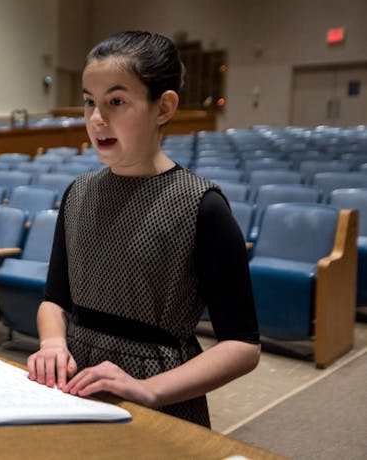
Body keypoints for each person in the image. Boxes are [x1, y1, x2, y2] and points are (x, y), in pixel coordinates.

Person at [26, 31, 260, 428]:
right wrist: (52, 342)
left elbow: (243, 346)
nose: (97, 118)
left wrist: (150, 388)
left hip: (160, 393)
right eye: (89, 102)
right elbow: (55, 299)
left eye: (116, 101)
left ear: (163, 107)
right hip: (77, 384)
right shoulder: (79, 193)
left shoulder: (204, 206)